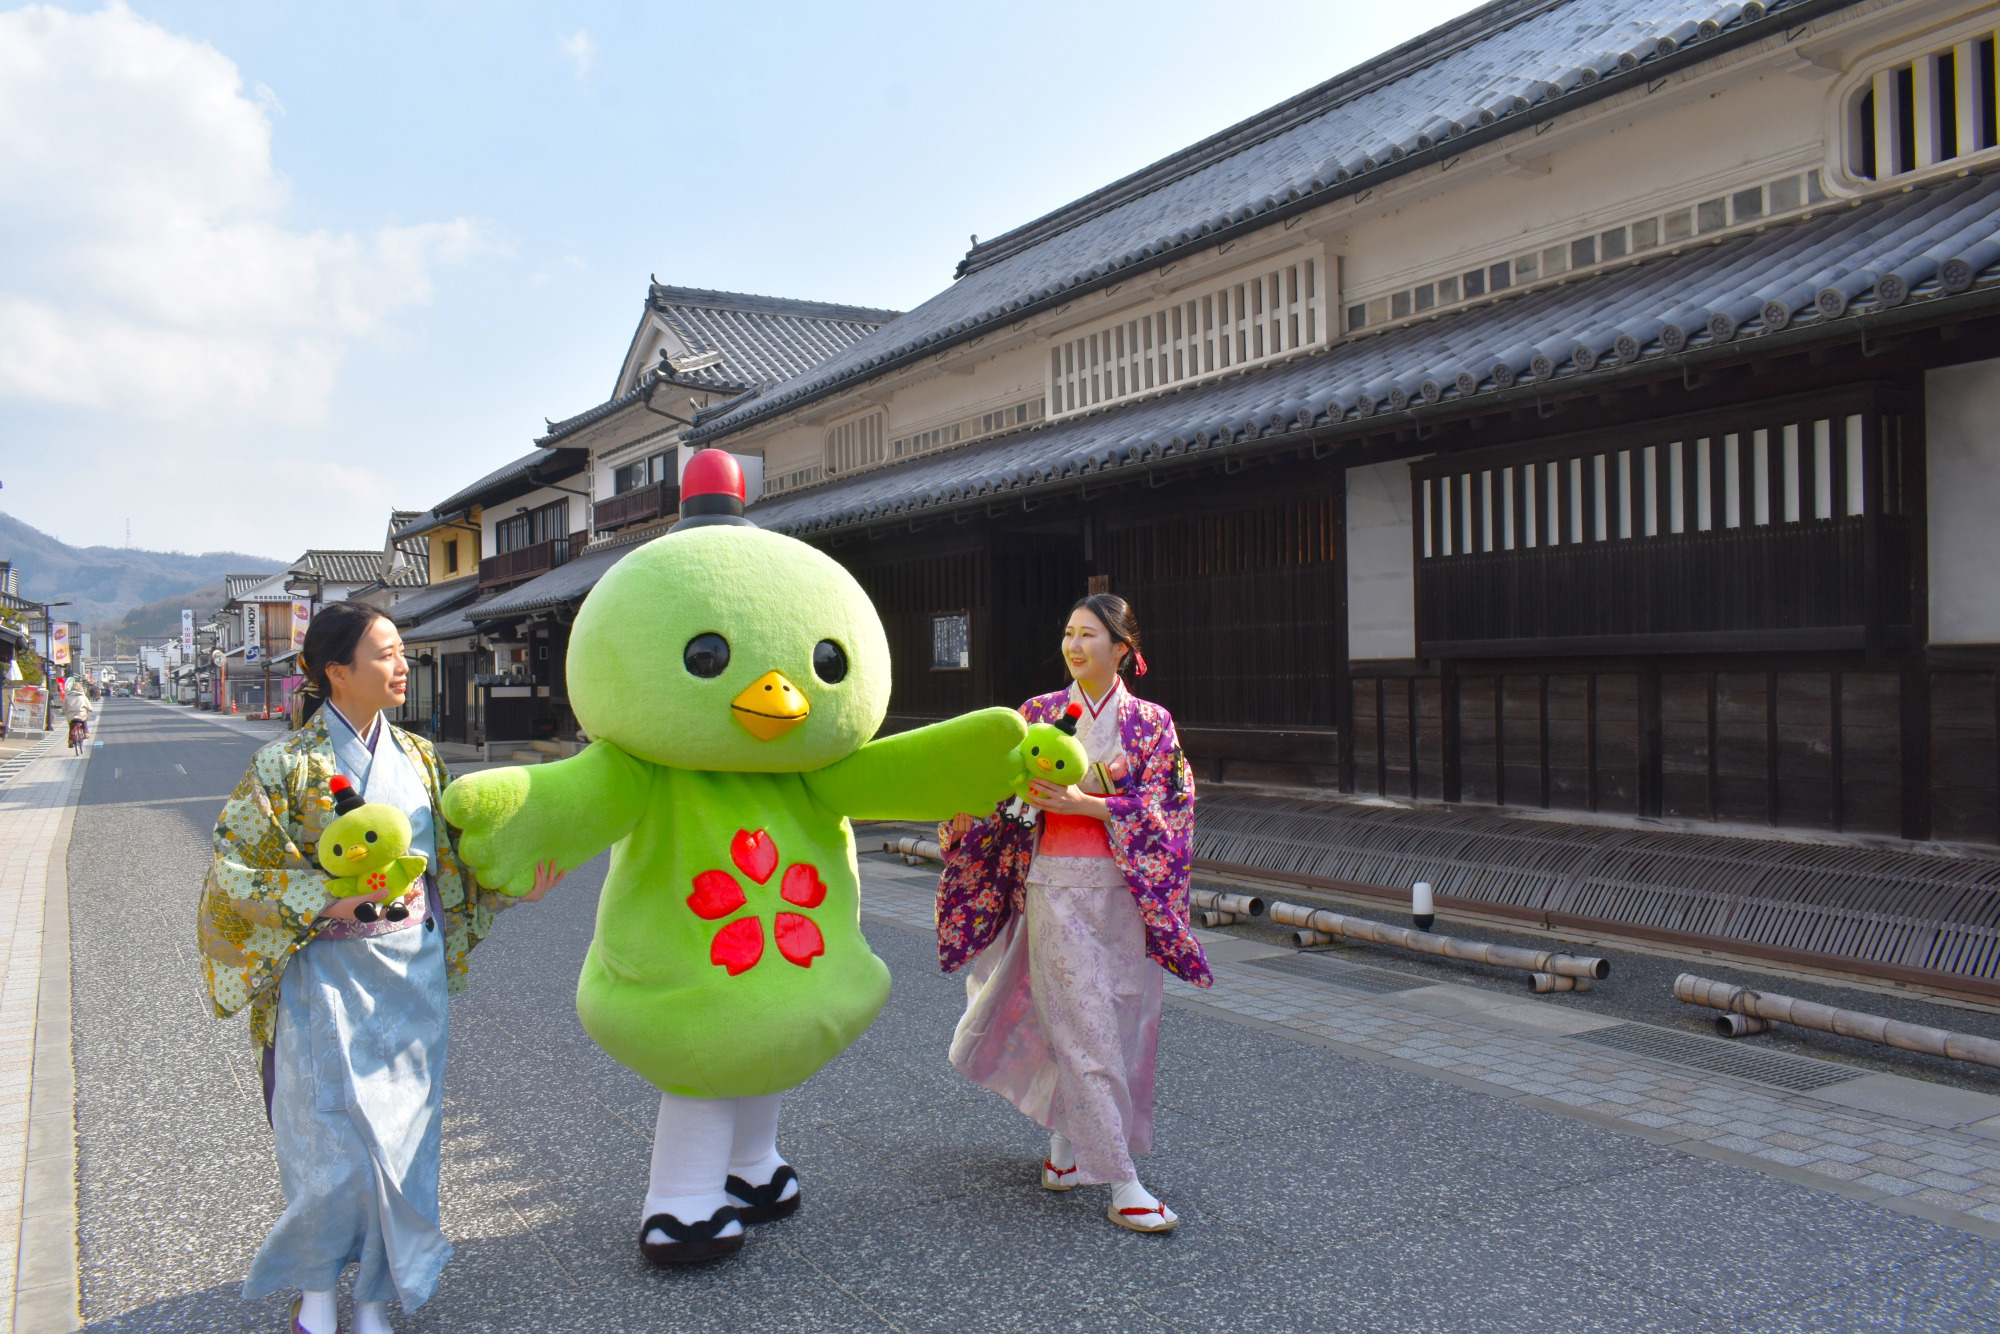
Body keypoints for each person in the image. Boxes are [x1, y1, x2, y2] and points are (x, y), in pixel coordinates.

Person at [196, 601, 561, 1334]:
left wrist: (509, 884)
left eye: (402, 653)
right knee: (329, 1145)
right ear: (338, 670)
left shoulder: (420, 759)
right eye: (387, 653)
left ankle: (370, 1299)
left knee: (404, 1142)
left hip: (410, 976)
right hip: (323, 980)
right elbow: (235, 873)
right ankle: (318, 1295)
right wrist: (327, 903)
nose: (402, 666)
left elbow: (447, 868)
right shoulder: (285, 765)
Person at [936, 593, 1210, 1233]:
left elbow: (1172, 810)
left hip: (1123, 893)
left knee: (1113, 1019)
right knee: (1085, 1021)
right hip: (1054, 886)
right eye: (1068, 633)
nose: (1075, 645)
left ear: (1123, 649)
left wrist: (1089, 804)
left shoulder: (1152, 724)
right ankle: (1123, 1182)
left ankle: (1064, 1150)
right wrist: (985, 809)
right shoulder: (1040, 716)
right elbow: (1002, 797)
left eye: (1089, 635)